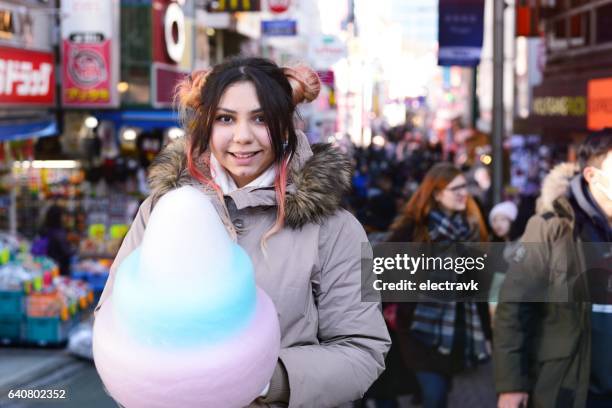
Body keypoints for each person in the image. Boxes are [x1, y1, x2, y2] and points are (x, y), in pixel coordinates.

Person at [95, 57, 390, 407]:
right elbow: (112, 318)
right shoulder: (163, 211)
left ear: (284, 125)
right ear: (206, 123)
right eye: (225, 119)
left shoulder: (335, 228)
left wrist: (261, 378)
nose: (242, 137)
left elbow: (362, 349)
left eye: (261, 118)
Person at [495, 132, 612, 408]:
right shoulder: (552, 226)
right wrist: (512, 385)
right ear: (592, 175)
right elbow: (514, 307)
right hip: (572, 386)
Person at [387, 163, 492, 408]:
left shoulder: (469, 230)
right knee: (435, 395)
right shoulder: (413, 230)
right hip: (416, 329)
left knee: (440, 394)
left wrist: (486, 333)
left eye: (464, 187)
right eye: (454, 189)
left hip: (454, 331)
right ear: (436, 193)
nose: (462, 193)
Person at [39, 204, 75, 276]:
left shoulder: (45, 230)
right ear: (58, 217)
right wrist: (75, 248)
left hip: (49, 268)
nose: (65, 218)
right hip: (61, 269)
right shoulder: (59, 233)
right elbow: (66, 252)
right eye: (63, 216)